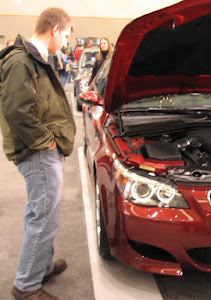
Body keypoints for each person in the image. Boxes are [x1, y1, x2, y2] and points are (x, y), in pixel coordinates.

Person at [0, 7, 76, 299]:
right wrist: (47, 142)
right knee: (43, 216)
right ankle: (27, 285)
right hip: (37, 151)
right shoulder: (21, 60)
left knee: (46, 213)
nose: (67, 41)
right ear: (55, 29)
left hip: (43, 149)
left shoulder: (35, 57)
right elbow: (17, 111)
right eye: (67, 34)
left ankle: (42, 266)